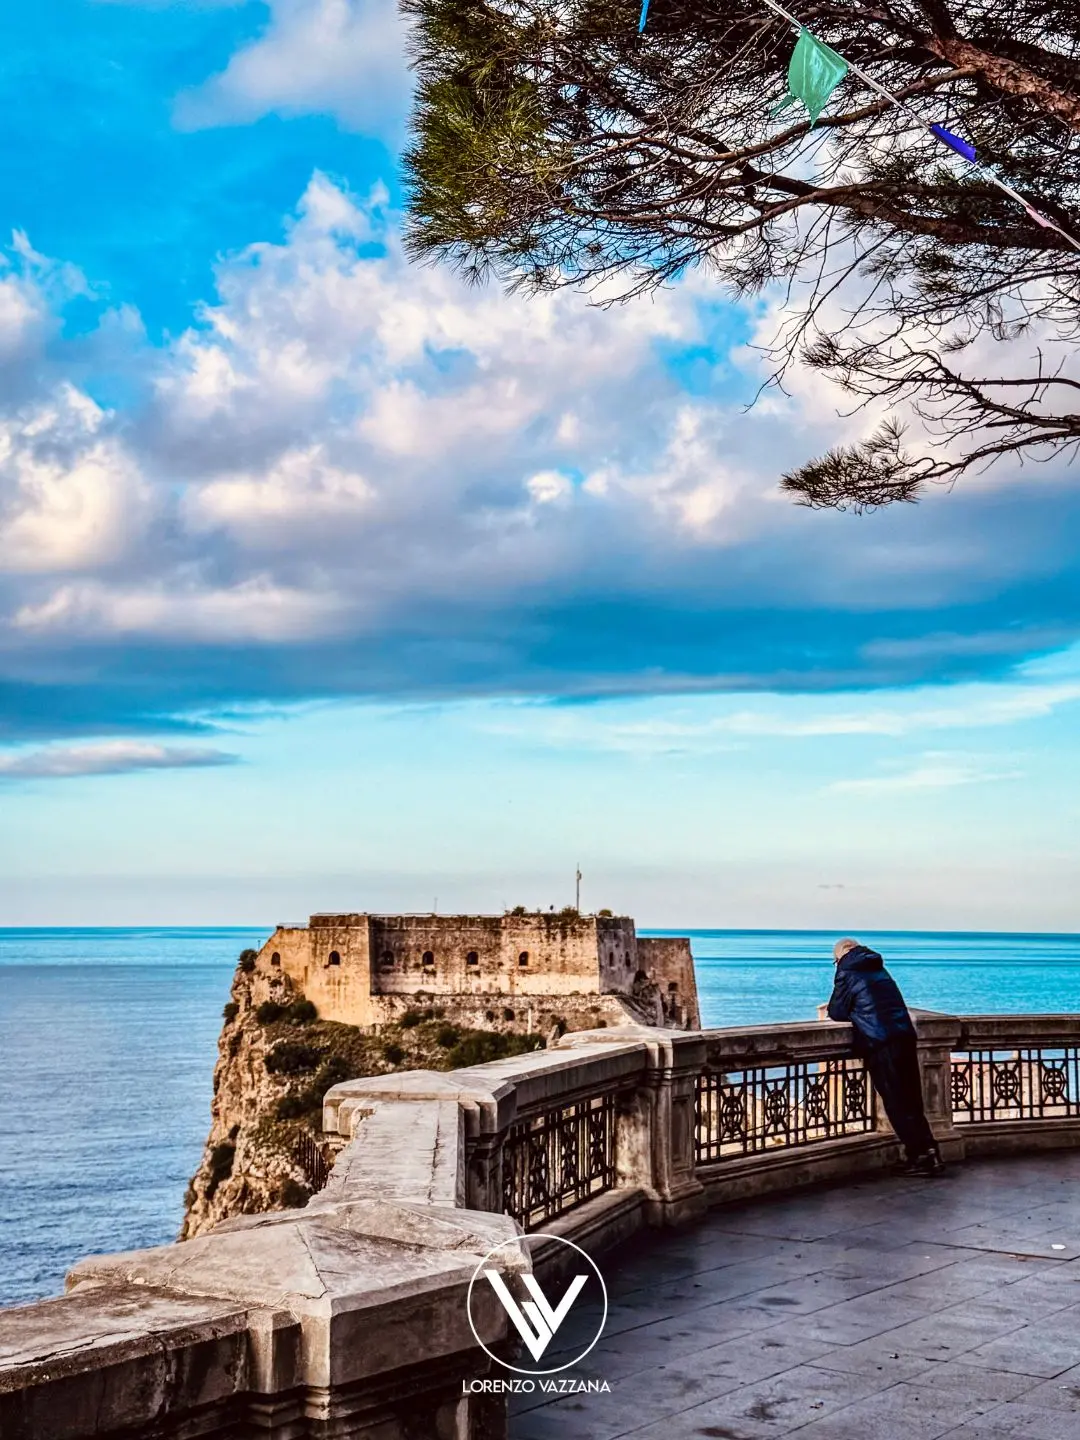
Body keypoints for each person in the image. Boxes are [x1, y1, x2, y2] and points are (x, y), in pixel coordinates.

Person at [827, 938, 945, 1177]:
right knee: (911, 1099)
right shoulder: (878, 967)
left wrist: (853, 1010)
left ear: (839, 957)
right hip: (903, 1036)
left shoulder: (846, 971)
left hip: (881, 1042)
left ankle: (921, 1156)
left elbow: (836, 1011)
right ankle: (929, 1151)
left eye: (834, 961)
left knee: (896, 1102)